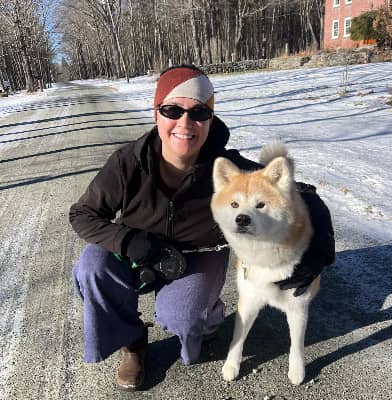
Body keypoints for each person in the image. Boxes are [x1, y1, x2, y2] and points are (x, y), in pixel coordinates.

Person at [69, 65, 335, 391]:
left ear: (210, 119)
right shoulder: (128, 162)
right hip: (139, 251)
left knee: (183, 317)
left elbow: (304, 194)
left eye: (198, 112)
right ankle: (132, 342)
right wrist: (127, 240)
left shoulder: (226, 168)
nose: (185, 122)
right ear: (156, 113)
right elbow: (82, 214)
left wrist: (318, 252)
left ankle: (208, 315)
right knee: (92, 267)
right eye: (172, 110)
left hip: (198, 255)